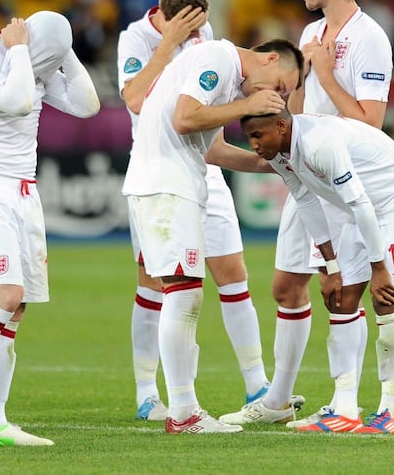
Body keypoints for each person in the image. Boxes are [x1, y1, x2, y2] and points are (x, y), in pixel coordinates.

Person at [219, 0, 393, 428]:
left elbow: (371, 123)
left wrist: (326, 72)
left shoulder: (370, 39)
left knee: (339, 290)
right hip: (305, 173)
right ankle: (277, 401)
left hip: (341, 175)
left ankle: (345, 404)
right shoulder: (312, 32)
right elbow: (296, 108)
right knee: (284, 286)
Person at [122, 37, 304, 434]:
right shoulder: (218, 57)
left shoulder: (224, 74)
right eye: (280, 87)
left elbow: (213, 150)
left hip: (172, 182)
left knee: (185, 293)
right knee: (183, 295)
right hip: (167, 184)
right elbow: (184, 118)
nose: (275, 98)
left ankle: (185, 409)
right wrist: (248, 106)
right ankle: (183, 412)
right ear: (270, 59)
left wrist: (276, 167)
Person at [117, 0, 273, 421]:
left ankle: (256, 384)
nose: (196, 35)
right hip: (159, 172)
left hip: (203, 166)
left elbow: (211, 129)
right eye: (188, 27)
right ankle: (149, 392)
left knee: (232, 272)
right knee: (157, 284)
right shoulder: (138, 38)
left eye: (200, 28)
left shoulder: (206, 40)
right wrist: (166, 46)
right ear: (166, 18)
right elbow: (133, 100)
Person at [0, 11, 100, 446]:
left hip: (23, 193)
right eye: (47, 61)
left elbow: (88, 106)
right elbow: (16, 102)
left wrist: (64, 55)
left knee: (17, 307)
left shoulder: (35, 63)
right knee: (4, 294)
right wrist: (17, 51)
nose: (47, 73)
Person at [240, 109, 394, 434]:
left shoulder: (320, 144)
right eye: (249, 137)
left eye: (257, 135)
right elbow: (306, 201)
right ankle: (344, 409)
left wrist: (379, 269)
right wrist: (331, 265)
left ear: (281, 125)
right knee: (341, 298)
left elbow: (359, 203)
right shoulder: (280, 153)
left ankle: (390, 411)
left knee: (387, 299)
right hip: (360, 207)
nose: (253, 145)